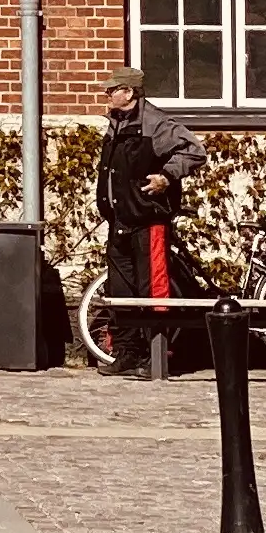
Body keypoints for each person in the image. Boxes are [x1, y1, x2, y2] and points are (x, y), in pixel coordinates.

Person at [97, 69, 209, 378]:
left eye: (112, 90)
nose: (107, 96)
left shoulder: (156, 124)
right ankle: (127, 353)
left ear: (129, 93)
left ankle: (158, 355)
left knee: (153, 290)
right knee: (120, 290)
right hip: (119, 219)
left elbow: (194, 151)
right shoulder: (116, 125)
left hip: (148, 219)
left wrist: (166, 176)